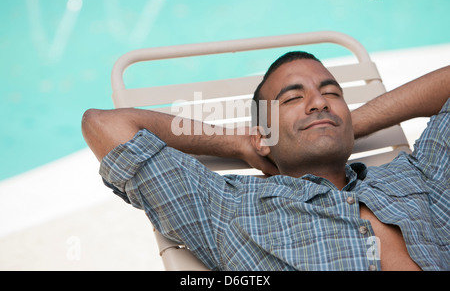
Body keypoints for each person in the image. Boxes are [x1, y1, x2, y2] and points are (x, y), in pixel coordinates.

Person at [82, 51, 449, 271]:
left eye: (331, 94)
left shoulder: (418, 174)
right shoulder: (230, 210)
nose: (319, 102)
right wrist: (241, 142)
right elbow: (104, 125)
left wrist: (349, 123)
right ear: (263, 134)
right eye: (292, 100)